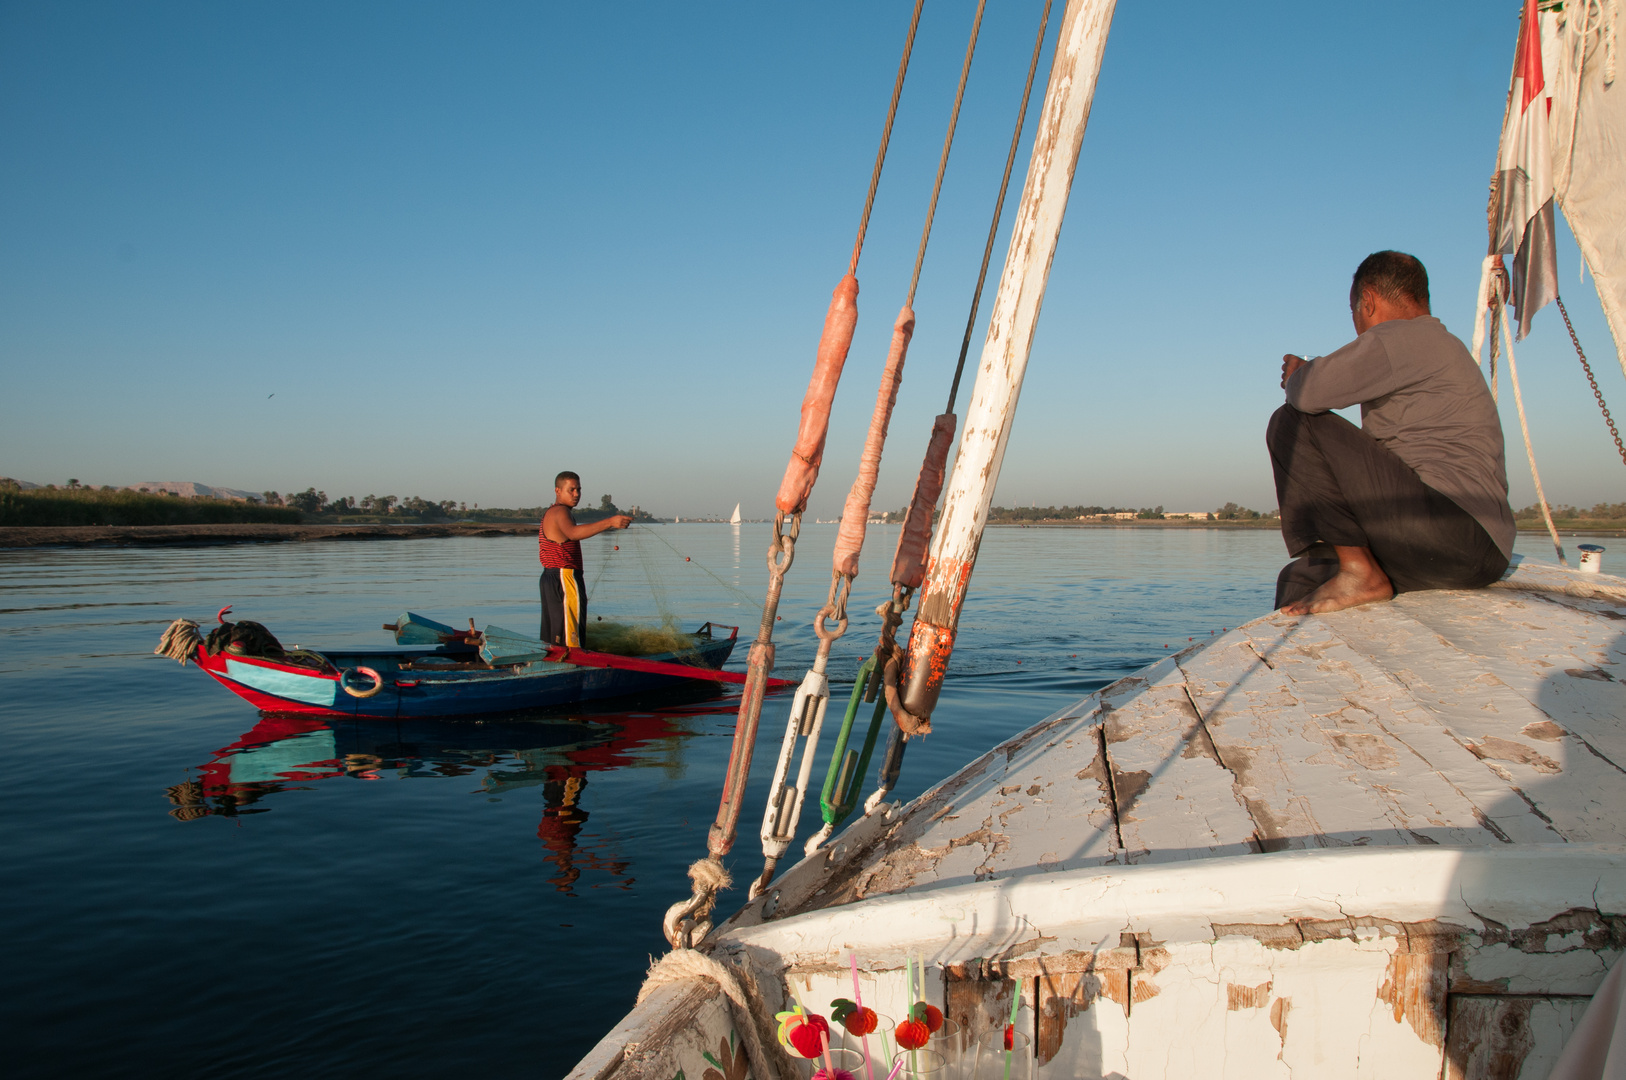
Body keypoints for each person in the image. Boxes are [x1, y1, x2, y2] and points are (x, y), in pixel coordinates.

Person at [1268, 251, 1516, 615]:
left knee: (1292, 421)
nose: (1356, 323)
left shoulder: (1403, 336)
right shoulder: (1441, 345)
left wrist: (1299, 374)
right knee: (1302, 577)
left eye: (1353, 312)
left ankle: (1359, 572)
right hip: (1475, 554)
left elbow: (1308, 394)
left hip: (1452, 529)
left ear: (1367, 301)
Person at [538, 471, 631, 646]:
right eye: (571, 490)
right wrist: (610, 522)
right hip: (564, 578)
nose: (576, 494)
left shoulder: (552, 512)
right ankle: (573, 669)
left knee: (555, 639)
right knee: (571, 640)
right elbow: (573, 533)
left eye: (578, 490)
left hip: (550, 578)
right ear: (557, 490)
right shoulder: (560, 511)